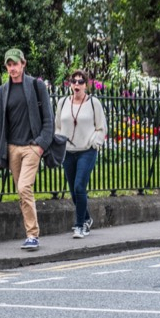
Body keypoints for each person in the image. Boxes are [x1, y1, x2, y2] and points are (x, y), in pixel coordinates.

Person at [0, 47, 53, 251]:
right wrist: (0, 152)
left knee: (24, 188)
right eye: (9, 65)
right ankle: (30, 233)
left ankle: (32, 235)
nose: (12, 68)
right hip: (12, 149)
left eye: (15, 64)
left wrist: (41, 145)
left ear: (23, 64)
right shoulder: (2, 91)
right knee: (22, 193)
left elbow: (48, 119)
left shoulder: (37, 85)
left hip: (32, 147)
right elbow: (0, 124)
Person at [55, 70, 108, 238]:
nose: (76, 84)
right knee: (73, 191)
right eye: (74, 81)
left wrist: (95, 142)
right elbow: (57, 125)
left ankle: (79, 226)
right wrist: (59, 141)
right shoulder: (62, 102)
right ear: (70, 84)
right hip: (68, 152)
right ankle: (86, 218)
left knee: (79, 186)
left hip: (87, 151)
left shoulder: (93, 103)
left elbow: (101, 127)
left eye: (80, 81)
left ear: (86, 84)